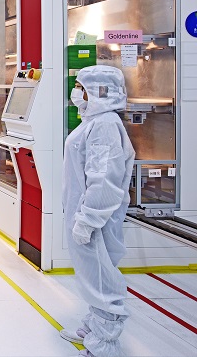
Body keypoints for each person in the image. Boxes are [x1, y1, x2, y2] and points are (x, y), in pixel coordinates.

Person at [60, 65, 135, 357]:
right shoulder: (93, 121)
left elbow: (104, 178)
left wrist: (89, 219)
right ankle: (94, 328)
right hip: (85, 214)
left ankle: (104, 347)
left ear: (99, 91)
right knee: (92, 275)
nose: (76, 92)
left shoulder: (105, 125)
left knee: (102, 280)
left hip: (95, 219)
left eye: (81, 87)